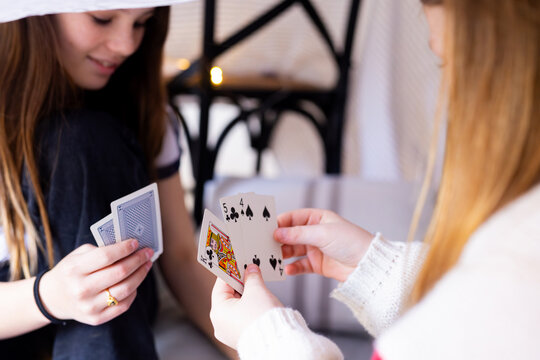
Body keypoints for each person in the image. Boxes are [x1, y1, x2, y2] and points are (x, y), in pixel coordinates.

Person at [210, 0, 540, 358]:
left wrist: (266, 336)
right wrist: (372, 266)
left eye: (453, 65)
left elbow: (480, 311)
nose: (450, 95)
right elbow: (477, 314)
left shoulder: (513, 268)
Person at [0, 2, 234, 359]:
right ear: (38, 16)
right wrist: (50, 296)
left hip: (118, 308)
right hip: (17, 311)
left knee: (84, 140)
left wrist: (255, 341)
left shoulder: (143, 111)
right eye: (103, 18)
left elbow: (184, 257)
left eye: (142, 23)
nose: (127, 44)